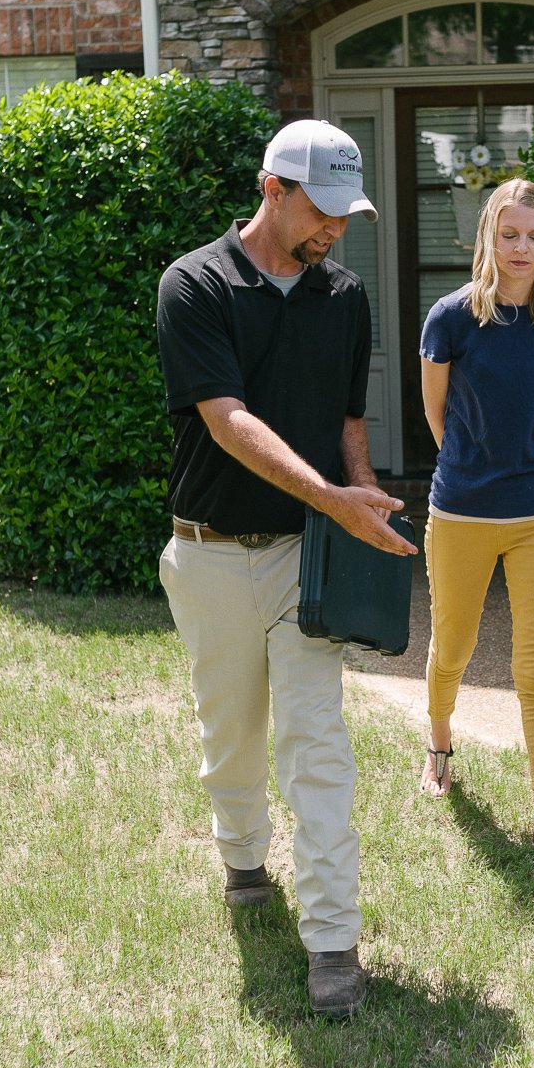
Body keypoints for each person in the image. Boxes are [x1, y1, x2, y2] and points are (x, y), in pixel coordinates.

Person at [155, 119, 417, 1019]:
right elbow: (227, 423)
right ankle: (241, 858)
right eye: (321, 210)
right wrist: (332, 498)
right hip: (212, 555)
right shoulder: (193, 285)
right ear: (272, 189)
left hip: (310, 559)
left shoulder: (343, 295)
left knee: (319, 750)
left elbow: (348, 417)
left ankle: (334, 944)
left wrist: (363, 498)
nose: (335, 230)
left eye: (348, 214)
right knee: (230, 734)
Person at [417, 178, 534, 878]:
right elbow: (435, 413)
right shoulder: (451, 319)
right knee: (453, 646)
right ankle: (439, 745)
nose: (522, 248)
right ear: (489, 236)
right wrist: (472, 467)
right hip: (460, 509)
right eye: (510, 233)